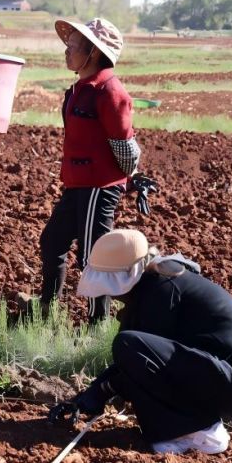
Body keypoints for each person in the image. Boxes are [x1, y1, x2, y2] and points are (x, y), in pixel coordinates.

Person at [48, 229, 232, 455]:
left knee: (127, 345)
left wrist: (101, 390)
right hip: (225, 373)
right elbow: (139, 362)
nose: (112, 297)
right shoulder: (156, 284)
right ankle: (189, 429)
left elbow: (141, 360)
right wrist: (90, 395)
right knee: (129, 349)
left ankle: (200, 433)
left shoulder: (162, 290)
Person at [39, 17, 152, 323]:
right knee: (51, 242)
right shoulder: (78, 89)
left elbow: (124, 145)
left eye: (73, 46)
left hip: (99, 186)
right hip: (77, 184)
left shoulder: (109, 91)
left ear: (94, 53)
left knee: (92, 257)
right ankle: (46, 313)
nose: (66, 51)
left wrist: (132, 175)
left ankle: (96, 324)